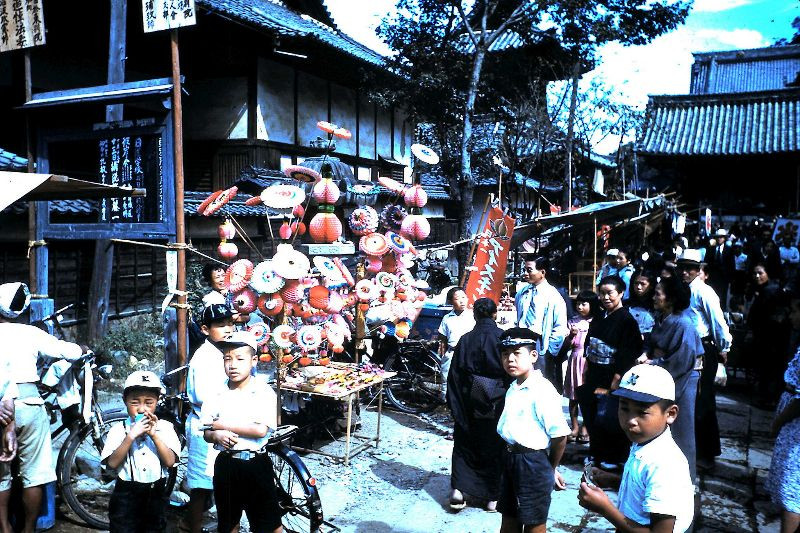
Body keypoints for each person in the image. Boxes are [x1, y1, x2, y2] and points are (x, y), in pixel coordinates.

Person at [0, 282, 87, 533]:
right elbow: (65, 351)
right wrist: (81, 348)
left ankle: (4, 528)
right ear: (23, 309)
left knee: (1, 474)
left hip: (2, 406)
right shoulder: (31, 333)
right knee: (34, 474)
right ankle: (28, 529)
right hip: (29, 404)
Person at [578, 364, 695, 533]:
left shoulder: (665, 464)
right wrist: (613, 480)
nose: (630, 420)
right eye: (624, 408)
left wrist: (605, 508)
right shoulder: (645, 443)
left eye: (642, 412)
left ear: (670, 414)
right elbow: (647, 489)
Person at [202, 332, 281, 533]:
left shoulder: (263, 392)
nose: (232, 365)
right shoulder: (216, 392)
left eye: (239, 358)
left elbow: (259, 429)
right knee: (228, 524)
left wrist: (221, 425)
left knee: (269, 525)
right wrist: (215, 435)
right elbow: (206, 432)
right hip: (227, 465)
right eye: (227, 359)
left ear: (253, 360)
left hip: (256, 465)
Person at [496, 327, 570, 533]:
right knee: (509, 515)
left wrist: (550, 468)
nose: (510, 359)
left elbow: (560, 436)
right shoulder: (514, 386)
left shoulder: (542, 390)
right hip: (510, 456)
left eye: (517, 353)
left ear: (533, 356)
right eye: (505, 354)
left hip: (532, 462)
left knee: (534, 521)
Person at [446, 298, 508, 512]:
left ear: (475, 316)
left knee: (465, 443)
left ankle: (459, 491)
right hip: (497, 401)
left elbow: (454, 376)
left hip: (468, 400)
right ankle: (492, 497)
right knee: (495, 445)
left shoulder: (465, 339)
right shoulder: (503, 338)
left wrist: (455, 406)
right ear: (495, 315)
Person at [101, 371, 181, 533]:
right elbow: (111, 463)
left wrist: (154, 435)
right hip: (126, 494)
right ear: (125, 401)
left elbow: (170, 462)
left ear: (157, 402)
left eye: (149, 402)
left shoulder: (165, 427)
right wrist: (130, 437)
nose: (141, 409)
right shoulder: (118, 430)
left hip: (155, 493)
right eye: (135, 402)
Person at [577, 275, 643, 468]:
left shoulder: (626, 320)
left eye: (610, 293)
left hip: (613, 375)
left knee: (609, 417)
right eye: (602, 293)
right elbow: (590, 345)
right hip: (595, 372)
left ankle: (612, 457)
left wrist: (615, 380)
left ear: (621, 293)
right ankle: (595, 452)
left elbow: (627, 353)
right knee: (591, 415)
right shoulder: (599, 316)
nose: (605, 298)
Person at [675, 249, 732, 471]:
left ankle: (707, 453)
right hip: (684, 347)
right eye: (682, 267)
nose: (686, 272)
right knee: (686, 400)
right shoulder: (680, 289)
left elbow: (717, 321)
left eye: (691, 268)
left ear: (699, 270)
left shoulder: (704, 292)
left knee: (703, 400)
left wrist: (723, 346)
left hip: (702, 347)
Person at [643, 276, 703, 482]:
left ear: (670, 299)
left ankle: (685, 480)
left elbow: (682, 359)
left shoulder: (684, 324)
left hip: (682, 377)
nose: (653, 296)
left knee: (682, 429)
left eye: (658, 293)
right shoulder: (661, 318)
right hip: (665, 372)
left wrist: (654, 363)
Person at [184, 304, 235, 533]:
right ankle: (191, 526)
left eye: (230, 323)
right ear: (205, 329)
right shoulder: (203, 358)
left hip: (224, 422)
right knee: (202, 483)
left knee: (224, 478)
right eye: (220, 325)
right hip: (204, 423)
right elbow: (204, 398)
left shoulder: (227, 351)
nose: (228, 329)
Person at [766, 306, 800, 533]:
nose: (790, 315)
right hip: (791, 424)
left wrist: (777, 422)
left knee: (791, 489)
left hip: (795, 426)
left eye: (796, 310)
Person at [514, 256, 568, 391]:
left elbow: (560, 326)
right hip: (522, 341)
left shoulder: (553, 295)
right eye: (524, 270)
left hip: (540, 344)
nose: (525, 274)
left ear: (542, 272)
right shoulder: (522, 292)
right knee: (522, 381)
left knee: (540, 383)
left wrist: (549, 350)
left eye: (529, 270)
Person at [748, 263, 790, 407]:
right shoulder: (765, 289)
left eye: (760, 273)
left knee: (770, 369)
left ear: (768, 273)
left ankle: (769, 399)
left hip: (771, 337)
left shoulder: (770, 290)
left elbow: (762, 315)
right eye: (755, 273)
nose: (757, 276)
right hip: (770, 337)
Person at [563, 290, 599, 444]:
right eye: (578, 303)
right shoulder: (573, 321)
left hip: (590, 361)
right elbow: (567, 345)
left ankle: (586, 427)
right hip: (575, 359)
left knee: (588, 396)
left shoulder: (597, 322)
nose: (580, 307)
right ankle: (575, 426)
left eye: (584, 304)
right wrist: (571, 335)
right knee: (573, 395)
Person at [438, 287, 476, 399]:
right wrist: (443, 354)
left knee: (466, 378)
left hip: (468, 352)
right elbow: (443, 338)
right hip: (452, 352)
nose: (462, 301)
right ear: (450, 301)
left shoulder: (473, 316)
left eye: (464, 297)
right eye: (457, 298)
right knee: (446, 376)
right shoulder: (447, 318)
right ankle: (446, 399)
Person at [705, 229, 735, 310]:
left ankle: (723, 312)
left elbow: (731, 265)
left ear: (724, 238)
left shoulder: (729, 249)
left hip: (724, 278)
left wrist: (730, 278)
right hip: (712, 277)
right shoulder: (711, 249)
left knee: (723, 297)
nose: (719, 239)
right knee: (712, 296)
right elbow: (706, 263)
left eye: (721, 237)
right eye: (718, 237)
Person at [624, 270, 657, 342]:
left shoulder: (656, 307)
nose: (638, 287)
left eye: (643, 284)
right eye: (636, 283)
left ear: (651, 286)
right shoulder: (625, 305)